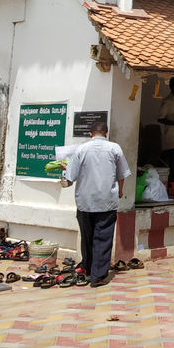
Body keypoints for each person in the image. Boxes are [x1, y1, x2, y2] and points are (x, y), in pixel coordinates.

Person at [61, 122, 131, 288]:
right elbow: (122, 174)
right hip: (107, 201)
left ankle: (87, 267)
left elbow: (70, 177)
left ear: (90, 134)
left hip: (85, 202)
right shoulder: (115, 148)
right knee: (103, 238)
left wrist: (65, 167)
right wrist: (120, 190)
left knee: (87, 237)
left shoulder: (81, 150)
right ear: (106, 133)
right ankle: (98, 276)